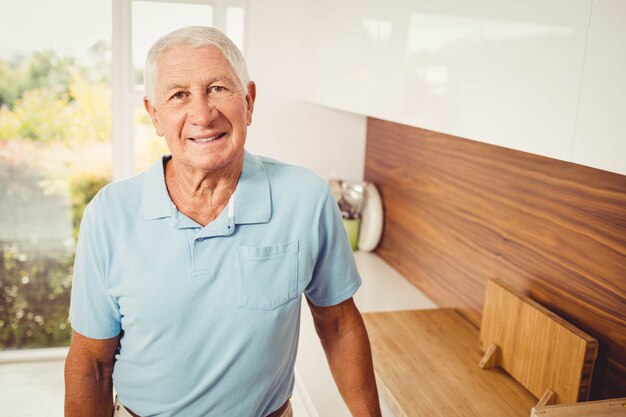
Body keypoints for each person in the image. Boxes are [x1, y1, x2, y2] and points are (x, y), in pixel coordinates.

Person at [64, 26, 382, 417]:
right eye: (179, 95)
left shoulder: (306, 197)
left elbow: (339, 324)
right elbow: (91, 364)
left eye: (218, 88)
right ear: (155, 115)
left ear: (248, 101)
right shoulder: (109, 215)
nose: (202, 114)